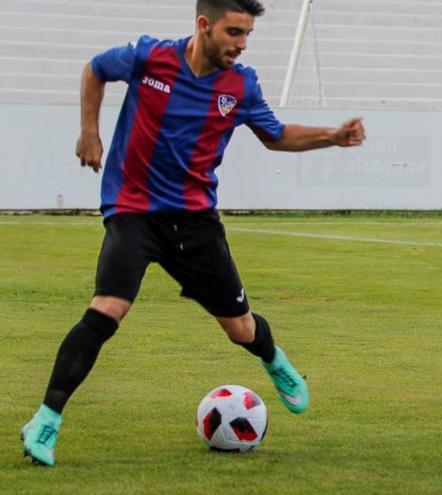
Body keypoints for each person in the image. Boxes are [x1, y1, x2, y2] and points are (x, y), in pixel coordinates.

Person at [21, 0, 365, 467]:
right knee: (106, 310)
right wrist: (89, 131)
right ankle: (46, 419)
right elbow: (95, 68)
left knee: (240, 329)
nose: (241, 45)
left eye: (247, 35)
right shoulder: (150, 57)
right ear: (204, 25)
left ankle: (274, 359)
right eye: (234, 33)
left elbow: (275, 134)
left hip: (196, 221)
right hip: (133, 211)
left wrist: (331, 136)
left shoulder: (240, 84)